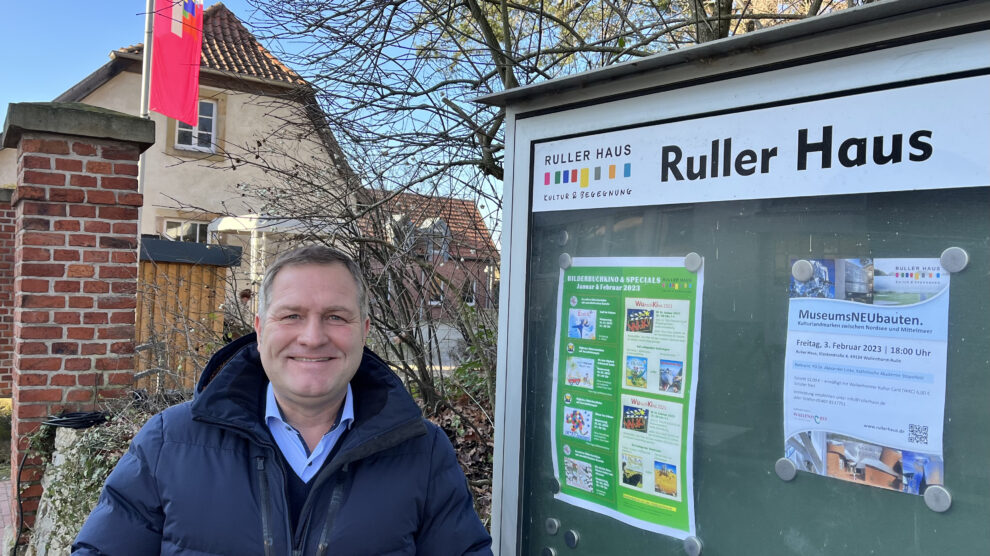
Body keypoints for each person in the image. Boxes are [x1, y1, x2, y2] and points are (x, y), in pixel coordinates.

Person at [73, 245, 493, 555]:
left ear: (364, 330)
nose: (312, 337)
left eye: (336, 316)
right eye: (291, 315)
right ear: (259, 328)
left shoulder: (422, 452)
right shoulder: (169, 442)